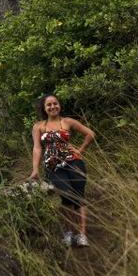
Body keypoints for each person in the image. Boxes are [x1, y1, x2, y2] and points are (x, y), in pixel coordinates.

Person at [30, 93, 95, 247]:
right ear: (44, 108)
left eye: (55, 103)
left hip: (75, 164)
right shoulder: (38, 126)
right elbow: (37, 148)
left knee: (79, 197)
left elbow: (90, 134)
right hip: (53, 167)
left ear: (59, 105)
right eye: (49, 105)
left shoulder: (67, 122)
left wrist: (80, 151)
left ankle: (82, 235)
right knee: (66, 196)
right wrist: (35, 170)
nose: (53, 107)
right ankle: (69, 233)